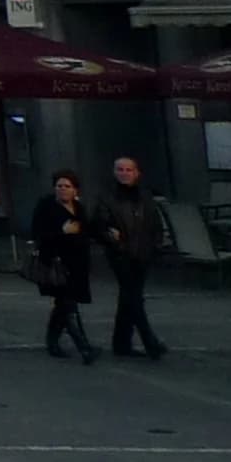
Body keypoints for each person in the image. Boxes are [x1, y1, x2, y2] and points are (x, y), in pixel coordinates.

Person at [98, 154, 165, 360]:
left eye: (128, 170)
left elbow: (155, 224)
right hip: (120, 254)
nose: (124, 173)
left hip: (143, 253)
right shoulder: (107, 197)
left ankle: (121, 343)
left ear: (137, 173)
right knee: (133, 297)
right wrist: (111, 238)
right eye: (120, 169)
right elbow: (99, 224)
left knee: (129, 297)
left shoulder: (145, 197)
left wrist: (155, 246)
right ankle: (149, 340)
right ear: (114, 172)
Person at [31, 170, 99, 365]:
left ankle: (52, 341)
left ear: (75, 189)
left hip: (77, 264)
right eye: (59, 186)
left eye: (67, 186)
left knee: (63, 305)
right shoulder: (46, 206)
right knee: (68, 306)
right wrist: (62, 231)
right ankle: (84, 347)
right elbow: (38, 233)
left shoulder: (78, 207)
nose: (62, 189)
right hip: (56, 264)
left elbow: (87, 230)